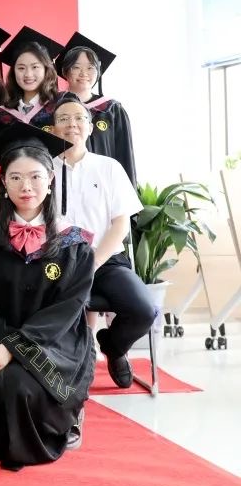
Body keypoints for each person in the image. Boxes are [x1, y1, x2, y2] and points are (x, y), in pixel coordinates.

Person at [0, 123, 95, 469]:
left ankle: (64, 419)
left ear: (50, 179)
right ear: (3, 184)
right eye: (16, 177)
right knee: (2, 380)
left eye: (36, 177)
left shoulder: (74, 243)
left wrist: (15, 348)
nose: (26, 187)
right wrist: (2, 342)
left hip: (55, 345)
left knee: (17, 381)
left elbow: (67, 310)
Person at [50, 96, 154, 389]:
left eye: (79, 118)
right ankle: (68, 366)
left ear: (91, 126)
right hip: (59, 261)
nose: (72, 124)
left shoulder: (109, 167)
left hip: (106, 260)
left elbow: (121, 224)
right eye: (63, 119)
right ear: (53, 129)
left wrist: (93, 262)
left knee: (143, 310)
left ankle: (113, 347)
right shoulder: (43, 169)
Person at [55, 33, 137, 184]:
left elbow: (125, 155)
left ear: (98, 73)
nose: (84, 73)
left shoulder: (112, 110)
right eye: (76, 67)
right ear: (65, 71)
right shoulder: (52, 108)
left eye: (90, 68)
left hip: (105, 186)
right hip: (64, 186)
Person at [0, 27, 65, 132]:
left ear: (46, 70)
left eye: (35, 67)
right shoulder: (3, 114)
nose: (28, 74)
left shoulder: (60, 105)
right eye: (21, 68)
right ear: (13, 72)